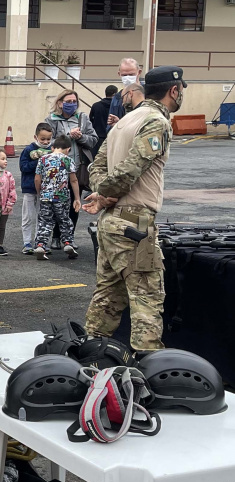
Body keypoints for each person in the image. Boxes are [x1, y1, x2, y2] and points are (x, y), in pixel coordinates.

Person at [82, 66, 183, 353]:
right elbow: (132, 169)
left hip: (112, 222)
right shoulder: (155, 122)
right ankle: (148, 366)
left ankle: (89, 354)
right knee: (148, 298)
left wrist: (102, 194)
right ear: (173, 91)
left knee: (108, 296)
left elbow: (95, 168)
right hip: (134, 224)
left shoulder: (126, 121)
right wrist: (105, 195)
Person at [43, 90, 98, 243]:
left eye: (74, 101)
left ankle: (69, 237)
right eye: (68, 102)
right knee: (56, 204)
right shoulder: (51, 120)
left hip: (77, 168)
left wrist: (81, 137)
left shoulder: (82, 118)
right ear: (60, 103)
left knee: (75, 202)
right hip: (57, 170)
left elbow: (93, 140)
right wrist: (67, 137)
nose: (71, 104)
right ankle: (55, 237)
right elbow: (47, 143)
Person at [34, 135, 81, 261]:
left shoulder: (43, 159)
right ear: (68, 149)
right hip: (62, 197)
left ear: (53, 147)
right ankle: (68, 243)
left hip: (45, 196)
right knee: (64, 220)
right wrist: (77, 198)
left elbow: (37, 178)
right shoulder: (68, 160)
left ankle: (41, 245)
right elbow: (74, 180)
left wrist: (40, 193)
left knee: (45, 221)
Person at [19, 123, 53, 254]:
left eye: (48, 139)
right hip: (29, 188)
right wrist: (39, 161)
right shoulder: (28, 150)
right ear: (36, 137)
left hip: (45, 189)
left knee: (42, 217)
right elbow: (24, 167)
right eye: (42, 139)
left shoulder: (52, 150)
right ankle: (27, 243)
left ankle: (40, 242)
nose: (45, 142)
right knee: (27, 217)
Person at [107, 57, 143, 130]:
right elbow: (110, 126)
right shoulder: (117, 98)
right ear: (119, 74)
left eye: (131, 74)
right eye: (124, 75)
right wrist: (116, 125)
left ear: (139, 72)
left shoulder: (149, 93)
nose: (128, 78)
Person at [91, 85, 119, 155]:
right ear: (114, 94)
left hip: (97, 138)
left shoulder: (96, 106)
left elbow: (91, 121)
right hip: (112, 137)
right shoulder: (117, 107)